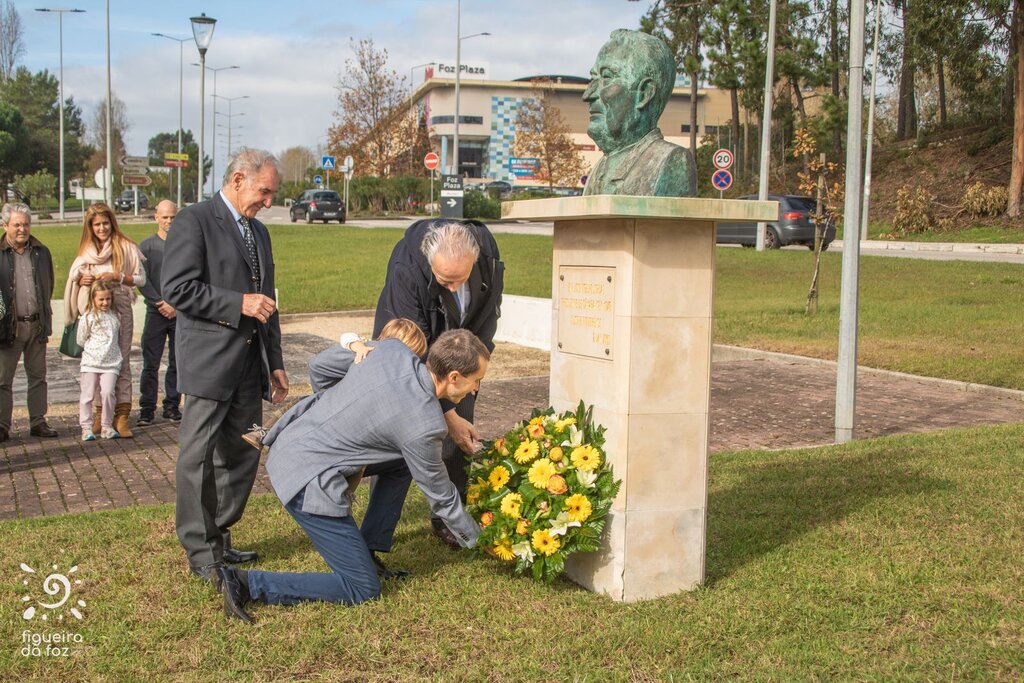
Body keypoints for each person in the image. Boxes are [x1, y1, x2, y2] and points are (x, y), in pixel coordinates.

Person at [215, 329, 489, 623]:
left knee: (401, 462)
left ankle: (366, 550)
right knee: (362, 588)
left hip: (292, 441)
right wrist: (483, 542)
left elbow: (319, 366)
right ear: (454, 377)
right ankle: (245, 583)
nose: (475, 388)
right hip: (306, 477)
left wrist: (336, 409)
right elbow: (442, 497)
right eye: (477, 380)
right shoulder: (424, 427)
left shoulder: (392, 351)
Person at [162, 148, 289, 584]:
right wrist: (238, 303)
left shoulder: (259, 233)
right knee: (197, 458)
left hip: (251, 367)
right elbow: (177, 288)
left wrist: (275, 361)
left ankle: (218, 534)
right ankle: (202, 551)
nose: (268, 202)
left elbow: (268, 301)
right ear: (237, 180)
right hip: (209, 364)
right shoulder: (194, 220)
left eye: (272, 194)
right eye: (264, 192)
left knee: (243, 452)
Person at [373, 219, 504, 548]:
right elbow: (413, 349)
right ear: (430, 263)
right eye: (445, 281)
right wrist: (447, 412)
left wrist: (476, 368)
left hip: (463, 355)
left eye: (460, 279)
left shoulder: (486, 254)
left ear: (473, 260)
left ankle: (449, 521)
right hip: (410, 359)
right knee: (398, 444)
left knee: (457, 444)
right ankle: (377, 529)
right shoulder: (406, 267)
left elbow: (489, 313)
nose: (453, 289)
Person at [243, 318, 428, 450]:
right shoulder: (367, 352)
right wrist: (357, 346)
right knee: (305, 404)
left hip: (347, 413)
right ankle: (265, 432)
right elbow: (345, 339)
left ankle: (266, 432)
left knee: (304, 404)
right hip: (336, 406)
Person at [581, 29, 697, 198]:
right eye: (593, 79)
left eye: (606, 78)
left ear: (644, 94)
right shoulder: (599, 169)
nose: (588, 95)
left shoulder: (671, 162)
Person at [64, 203, 146, 438]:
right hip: (96, 313)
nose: (102, 228)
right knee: (98, 360)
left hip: (119, 307)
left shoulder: (125, 247)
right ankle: (101, 414)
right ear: (90, 227)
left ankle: (122, 414)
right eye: (97, 224)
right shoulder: (87, 251)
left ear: (112, 223)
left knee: (122, 359)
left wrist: (118, 276)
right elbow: (75, 275)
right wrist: (82, 280)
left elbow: (141, 279)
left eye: (105, 223)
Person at [0, 203, 57, 442]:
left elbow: (49, 284)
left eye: (26, 224)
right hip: (8, 328)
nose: (22, 229)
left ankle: (38, 422)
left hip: (36, 324)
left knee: (38, 377)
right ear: (5, 225)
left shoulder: (41, 252)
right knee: (3, 380)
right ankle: (2, 425)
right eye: (17, 225)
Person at [136, 200, 181, 426]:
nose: (169, 221)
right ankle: (147, 408)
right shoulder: (146, 247)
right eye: (165, 217)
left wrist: (176, 305)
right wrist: (159, 302)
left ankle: (172, 405)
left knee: (177, 361)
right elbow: (142, 280)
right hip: (155, 313)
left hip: (179, 313)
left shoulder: (185, 246)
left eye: (172, 217)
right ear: (156, 217)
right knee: (150, 363)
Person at [76, 281, 122, 441]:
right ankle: (86, 427)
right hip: (90, 363)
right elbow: (81, 339)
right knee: (87, 395)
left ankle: (107, 426)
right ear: (93, 299)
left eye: (108, 299)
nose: (105, 302)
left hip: (111, 363)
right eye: (101, 299)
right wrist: (94, 350)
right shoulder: (87, 317)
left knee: (108, 393)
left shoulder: (115, 317)